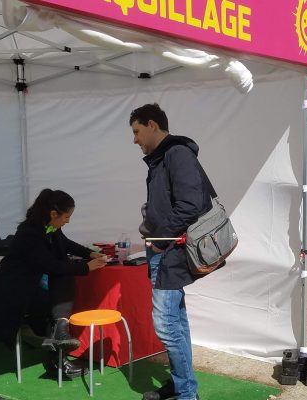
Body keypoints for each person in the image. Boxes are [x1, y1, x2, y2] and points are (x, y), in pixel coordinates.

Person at [130, 103, 209, 400]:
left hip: (170, 251)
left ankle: (186, 393)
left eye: (137, 131)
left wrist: (160, 240)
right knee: (176, 320)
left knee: (165, 324)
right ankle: (182, 386)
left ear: (152, 125)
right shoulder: (161, 158)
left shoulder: (177, 153)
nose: (134, 139)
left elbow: (190, 204)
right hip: (166, 250)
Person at [0, 189, 106, 379]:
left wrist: (89, 254)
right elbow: (49, 265)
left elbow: (65, 243)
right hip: (15, 291)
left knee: (63, 278)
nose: (68, 221)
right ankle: (59, 343)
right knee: (60, 281)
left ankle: (60, 332)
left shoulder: (49, 226)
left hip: (33, 286)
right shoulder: (28, 233)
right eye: (67, 216)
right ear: (53, 214)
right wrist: (86, 267)